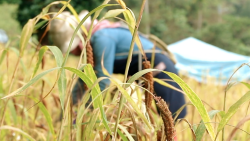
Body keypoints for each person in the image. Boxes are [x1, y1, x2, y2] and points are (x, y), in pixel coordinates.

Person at [49, 10, 187, 119]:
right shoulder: (96, 40)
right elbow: (84, 80)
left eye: (74, 50)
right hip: (143, 76)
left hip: (160, 70)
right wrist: (66, 112)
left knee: (170, 120)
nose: (76, 54)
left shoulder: (102, 38)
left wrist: (84, 112)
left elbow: (103, 81)